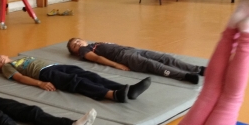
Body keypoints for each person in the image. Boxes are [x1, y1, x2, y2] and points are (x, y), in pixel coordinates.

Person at [0, 54, 151, 103]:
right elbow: (20, 78)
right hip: (44, 74)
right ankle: (112, 95)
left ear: (4, 54)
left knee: (90, 75)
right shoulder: (7, 67)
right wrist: (40, 83)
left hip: (55, 66)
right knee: (77, 82)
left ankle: (126, 89)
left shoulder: (21, 57)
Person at [67, 38, 205, 84]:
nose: (78, 44)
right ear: (75, 52)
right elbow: (97, 58)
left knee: (166, 58)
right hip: (125, 57)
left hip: (132, 50)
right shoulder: (84, 50)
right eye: (75, 45)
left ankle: (198, 69)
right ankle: (185, 76)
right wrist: (116, 65)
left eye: (78, 41)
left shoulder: (95, 43)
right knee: (155, 65)